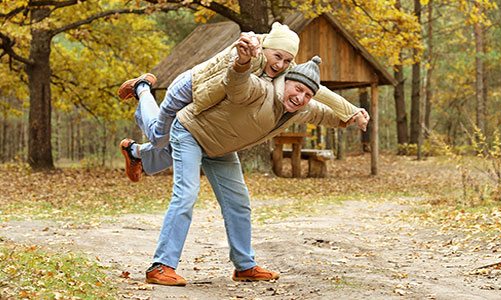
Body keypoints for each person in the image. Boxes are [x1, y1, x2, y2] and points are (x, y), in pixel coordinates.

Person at [118, 32, 363, 285]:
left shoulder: (297, 109)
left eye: (308, 95)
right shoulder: (261, 89)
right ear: (285, 80)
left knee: (238, 202)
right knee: (185, 192)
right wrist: (242, 63)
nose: (301, 97)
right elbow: (237, 83)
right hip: (191, 130)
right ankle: (161, 266)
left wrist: (350, 118)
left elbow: (323, 114)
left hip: (221, 146)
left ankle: (245, 266)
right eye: (298, 89)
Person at [118, 22, 369, 182]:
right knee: (160, 138)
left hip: (206, 106)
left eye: (287, 60)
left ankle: (135, 152)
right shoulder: (252, 50)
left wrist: (352, 111)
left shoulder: (284, 71)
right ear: (266, 47)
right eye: (277, 56)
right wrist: (247, 50)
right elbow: (237, 70)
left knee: (172, 148)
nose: (280, 64)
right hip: (189, 88)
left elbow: (319, 91)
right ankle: (142, 88)